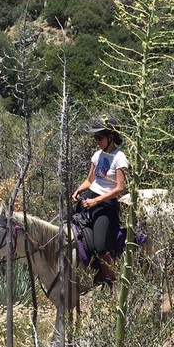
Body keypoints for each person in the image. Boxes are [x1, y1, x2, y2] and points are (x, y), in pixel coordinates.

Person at [71, 116, 129, 285]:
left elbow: (120, 188)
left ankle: (110, 281)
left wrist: (97, 201)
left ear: (111, 136)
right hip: (90, 196)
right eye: (96, 138)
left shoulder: (120, 158)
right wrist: (78, 190)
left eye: (100, 137)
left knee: (100, 246)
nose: (97, 141)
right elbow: (90, 180)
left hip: (106, 203)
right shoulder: (97, 155)